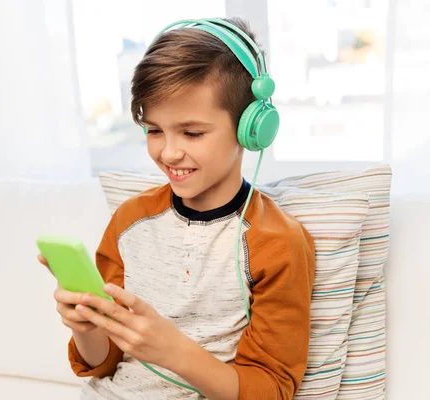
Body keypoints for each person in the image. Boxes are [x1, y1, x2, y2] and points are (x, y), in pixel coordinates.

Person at [38, 17, 316, 400]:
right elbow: (103, 362)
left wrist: (173, 351)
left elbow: (270, 389)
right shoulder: (130, 220)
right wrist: (85, 328)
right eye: (154, 130)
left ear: (251, 129)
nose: (168, 152)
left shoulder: (278, 242)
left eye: (192, 132)